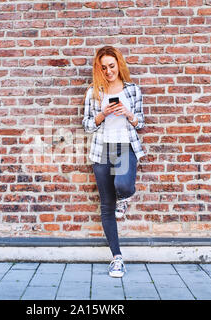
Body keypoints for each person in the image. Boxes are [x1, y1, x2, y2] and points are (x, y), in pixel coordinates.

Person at [82, 46, 145, 278]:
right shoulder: (94, 93)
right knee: (107, 206)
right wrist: (102, 114)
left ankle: (125, 199)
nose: (108, 71)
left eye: (111, 65)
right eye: (103, 67)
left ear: (119, 64)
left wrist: (128, 114)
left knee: (124, 186)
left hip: (124, 147)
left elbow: (140, 123)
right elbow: (87, 125)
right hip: (102, 151)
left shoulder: (133, 90)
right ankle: (117, 258)